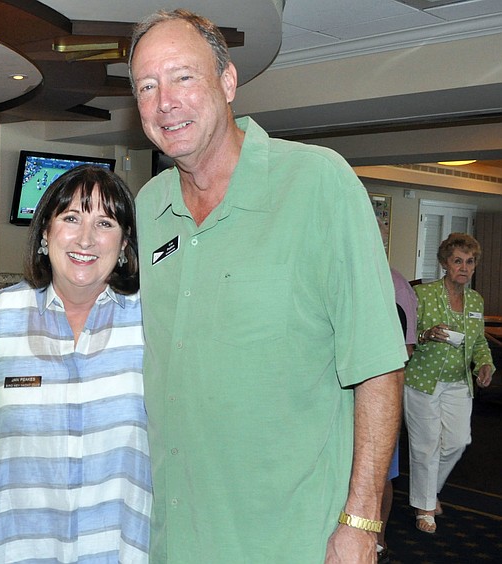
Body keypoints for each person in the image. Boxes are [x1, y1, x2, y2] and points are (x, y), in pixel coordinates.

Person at [128, 9, 407, 562]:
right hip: (176, 536)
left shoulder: (318, 182)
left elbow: (378, 362)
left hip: (293, 537)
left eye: (183, 77)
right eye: (147, 86)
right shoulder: (148, 207)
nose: (166, 102)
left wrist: (361, 520)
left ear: (227, 82)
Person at [0, 165, 151, 562]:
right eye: (70, 218)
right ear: (45, 233)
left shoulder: (151, 321)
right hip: (15, 548)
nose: (86, 238)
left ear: (123, 246)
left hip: (120, 550)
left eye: (105, 222)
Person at [404, 232, 495, 534]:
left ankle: (428, 493)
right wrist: (427, 334)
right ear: (444, 262)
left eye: (469, 262)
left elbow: (479, 341)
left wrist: (485, 363)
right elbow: (405, 333)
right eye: (458, 261)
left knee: (458, 442)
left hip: (458, 382)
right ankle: (425, 507)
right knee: (426, 445)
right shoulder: (424, 294)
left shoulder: (475, 300)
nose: (464, 267)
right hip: (423, 381)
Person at [379, 266, 418, 563]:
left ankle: (378, 540)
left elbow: (404, 354)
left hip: (380, 396)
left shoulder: (397, 289)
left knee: (381, 474)